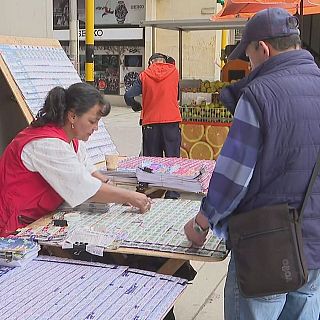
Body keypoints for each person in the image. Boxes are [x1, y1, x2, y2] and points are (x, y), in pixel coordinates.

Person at [184, 8, 320, 320]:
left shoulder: (260, 94)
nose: (249, 65)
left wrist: (201, 223)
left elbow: (233, 177)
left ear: (263, 48)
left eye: (248, 56)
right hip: (315, 243)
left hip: (266, 245)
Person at [0, 82, 151, 237]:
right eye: (92, 121)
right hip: (13, 225)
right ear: (72, 116)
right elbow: (83, 185)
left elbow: (87, 169)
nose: (96, 128)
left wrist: (112, 188)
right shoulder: (47, 143)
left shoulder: (71, 139)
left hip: (35, 217)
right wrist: (128, 196)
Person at [124, 53, 181, 199]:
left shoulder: (144, 75)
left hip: (151, 123)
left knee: (153, 159)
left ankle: (154, 191)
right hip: (171, 121)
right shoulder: (174, 71)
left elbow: (128, 95)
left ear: (150, 63)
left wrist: (137, 107)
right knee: (172, 158)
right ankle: (173, 192)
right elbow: (178, 95)